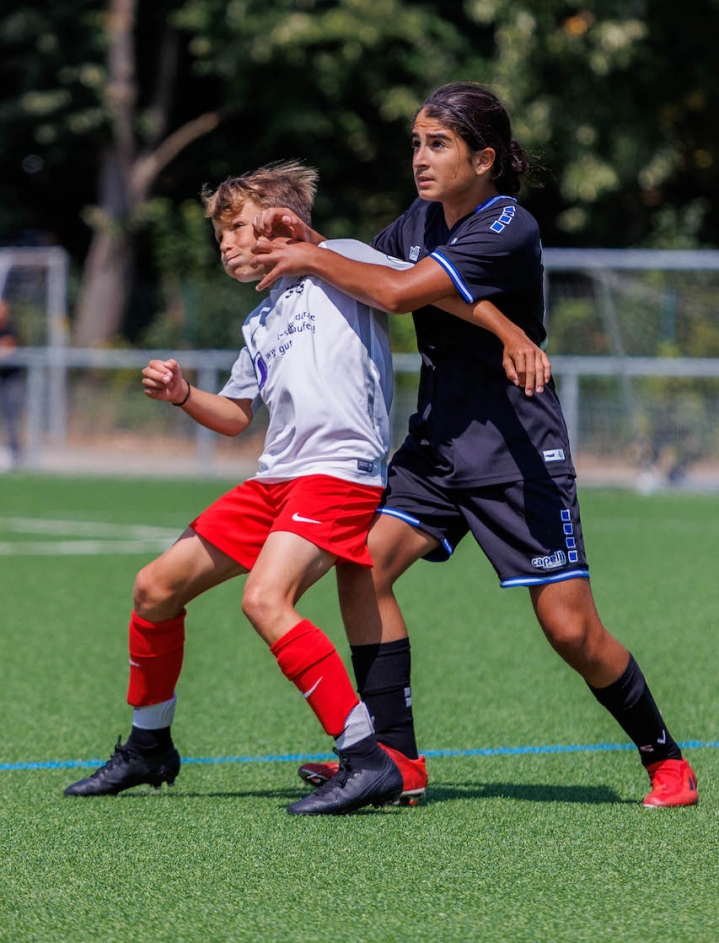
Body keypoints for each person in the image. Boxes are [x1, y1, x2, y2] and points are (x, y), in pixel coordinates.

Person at [251, 82, 698, 810]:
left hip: (515, 451)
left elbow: (398, 294)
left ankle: (666, 760)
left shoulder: (508, 224)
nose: (420, 159)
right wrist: (311, 239)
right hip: (435, 447)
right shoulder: (422, 219)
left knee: (570, 630)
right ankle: (397, 759)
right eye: (416, 144)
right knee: (362, 565)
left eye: (438, 144)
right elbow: (382, 271)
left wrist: (310, 257)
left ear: (484, 159)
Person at [63, 159, 543, 816]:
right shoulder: (261, 320)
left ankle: (366, 759)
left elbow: (420, 289)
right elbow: (236, 417)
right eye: (220, 234)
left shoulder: (342, 258)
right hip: (276, 480)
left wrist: (510, 332)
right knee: (154, 587)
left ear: (280, 221)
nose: (227, 243)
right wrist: (182, 395)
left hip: (339, 473)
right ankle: (149, 746)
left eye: (238, 226)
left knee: (266, 599)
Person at [0, 299, 23, 467]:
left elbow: (9, 347)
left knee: (11, 419)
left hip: (10, 380)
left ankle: (14, 453)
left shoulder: (11, 328)